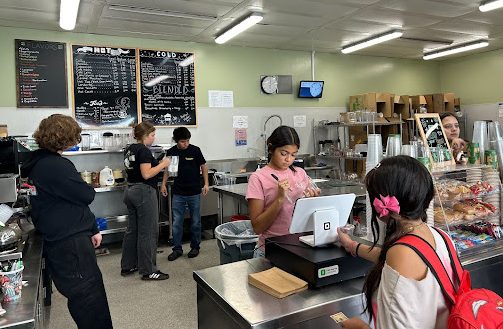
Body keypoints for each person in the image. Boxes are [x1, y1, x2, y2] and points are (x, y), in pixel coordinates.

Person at [337, 155, 456, 329]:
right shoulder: (441, 236)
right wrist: (353, 246)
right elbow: (408, 261)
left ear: (382, 206)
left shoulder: (401, 253)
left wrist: (361, 327)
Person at [21, 114, 113, 328]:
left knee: (86, 298)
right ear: (65, 137)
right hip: (71, 246)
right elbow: (86, 195)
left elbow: (73, 202)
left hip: (65, 240)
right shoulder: (55, 166)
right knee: (90, 301)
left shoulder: (37, 162)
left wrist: (91, 228)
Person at [246, 125, 320, 257]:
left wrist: (312, 201)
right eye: (283, 153)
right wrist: (279, 198)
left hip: (301, 245)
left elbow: (308, 215)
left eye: (293, 155)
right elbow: (257, 227)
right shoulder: (258, 178)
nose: (288, 159)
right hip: (272, 248)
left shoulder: (300, 173)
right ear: (271, 149)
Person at [121, 121, 171, 280]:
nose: (154, 138)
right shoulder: (143, 150)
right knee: (148, 232)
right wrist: (163, 164)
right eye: (152, 135)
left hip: (130, 190)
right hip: (143, 192)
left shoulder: (130, 149)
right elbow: (147, 174)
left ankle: (128, 265)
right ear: (144, 136)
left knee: (133, 230)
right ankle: (149, 270)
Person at [161, 127, 209, 261]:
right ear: (176, 141)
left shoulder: (195, 150)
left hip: (194, 192)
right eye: (182, 141)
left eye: (187, 141)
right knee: (177, 222)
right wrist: (163, 184)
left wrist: (206, 184)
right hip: (178, 193)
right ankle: (177, 249)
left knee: (195, 221)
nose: (185, 144)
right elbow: (167, 169)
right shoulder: (171, 152)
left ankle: (195, 247)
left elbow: (204, 166)